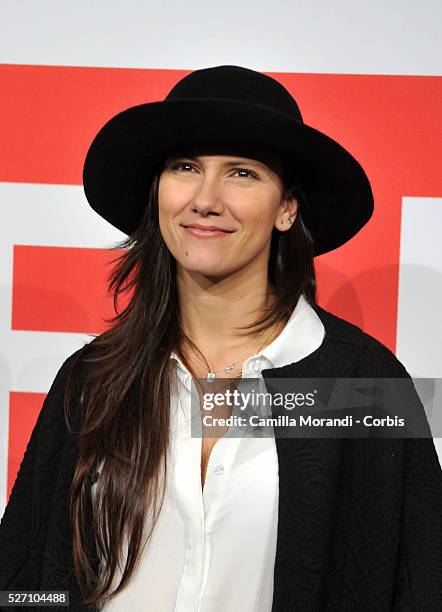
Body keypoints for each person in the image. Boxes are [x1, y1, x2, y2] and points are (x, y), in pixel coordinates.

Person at [1, 65, 441, 612]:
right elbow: (21, 578)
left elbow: (420, 580)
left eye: (242, 174)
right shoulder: (93, 378)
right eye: (185, 167)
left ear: (287, 209)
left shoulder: (362, 384)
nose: (205, 199)